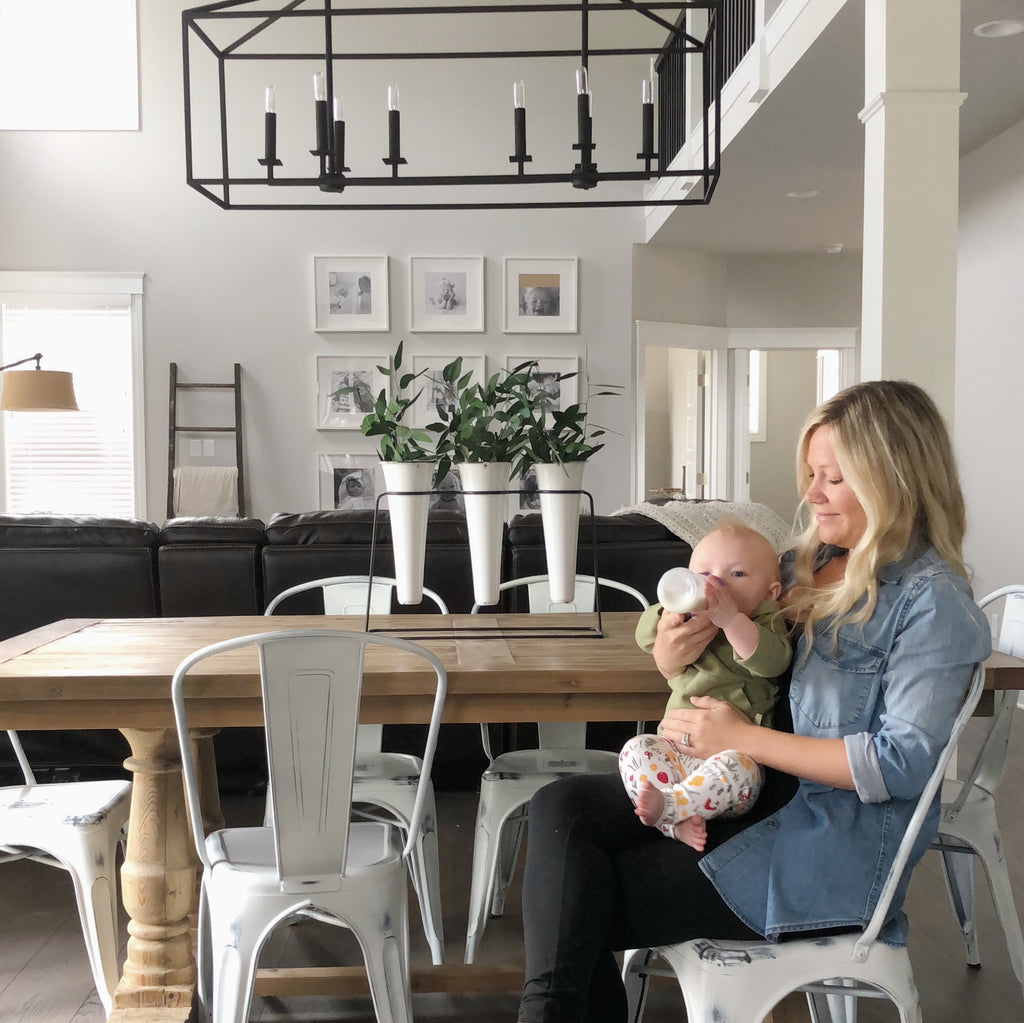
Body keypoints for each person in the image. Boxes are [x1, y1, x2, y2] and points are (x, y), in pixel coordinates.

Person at [517, 380, 991, 1023]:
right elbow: (710, 651)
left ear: (893, 479)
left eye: (833, 478)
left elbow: (898, 765)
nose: (809, 493)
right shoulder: (800, 567)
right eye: (812, 474)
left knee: (582, 898)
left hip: (820, 850)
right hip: (749, 796)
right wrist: (670, 652)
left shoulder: (933, 603)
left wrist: (740, 738)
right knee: (559, 807)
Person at [619, 522, 791, 851]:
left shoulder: (763, 620)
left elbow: (772, 661)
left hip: (732, 760)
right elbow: (644, 636)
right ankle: (676, 823)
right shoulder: (686, 614)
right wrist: (667, 616)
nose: (716, 583)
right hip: (675, 752)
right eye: (704, 572)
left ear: (770, 593)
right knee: (635, 749)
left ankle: (672, 807)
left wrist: (730, 620)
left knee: (740, 770)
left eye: (737, 574)